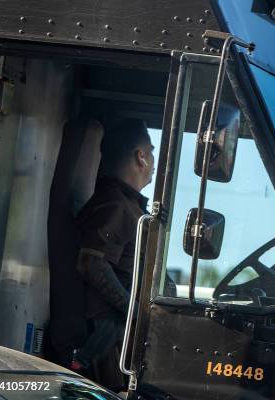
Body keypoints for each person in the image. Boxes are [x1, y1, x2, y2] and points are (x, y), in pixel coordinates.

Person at [70, 118, 161, 387]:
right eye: (152, 152)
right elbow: (91, 264)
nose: (154, 161)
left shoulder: (129, 207)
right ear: (141, 157)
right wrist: (135, 313)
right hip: (109, 340)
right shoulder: (115, 205)